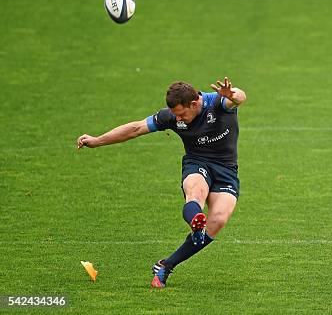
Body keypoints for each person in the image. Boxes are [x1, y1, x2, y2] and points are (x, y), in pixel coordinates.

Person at [76, 78, 246, 288]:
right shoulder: (172, 117)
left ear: (194, 104)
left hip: (226, 170)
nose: (178, 119)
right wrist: (97, 140)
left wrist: (233, 95)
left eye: (182, 114)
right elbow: (136, 128)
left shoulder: (217, 102)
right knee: (195, 191)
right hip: (197, 163)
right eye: (175, 115)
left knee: (219, 219)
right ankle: (196, 221)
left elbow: (239, 97)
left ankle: (166, 265)